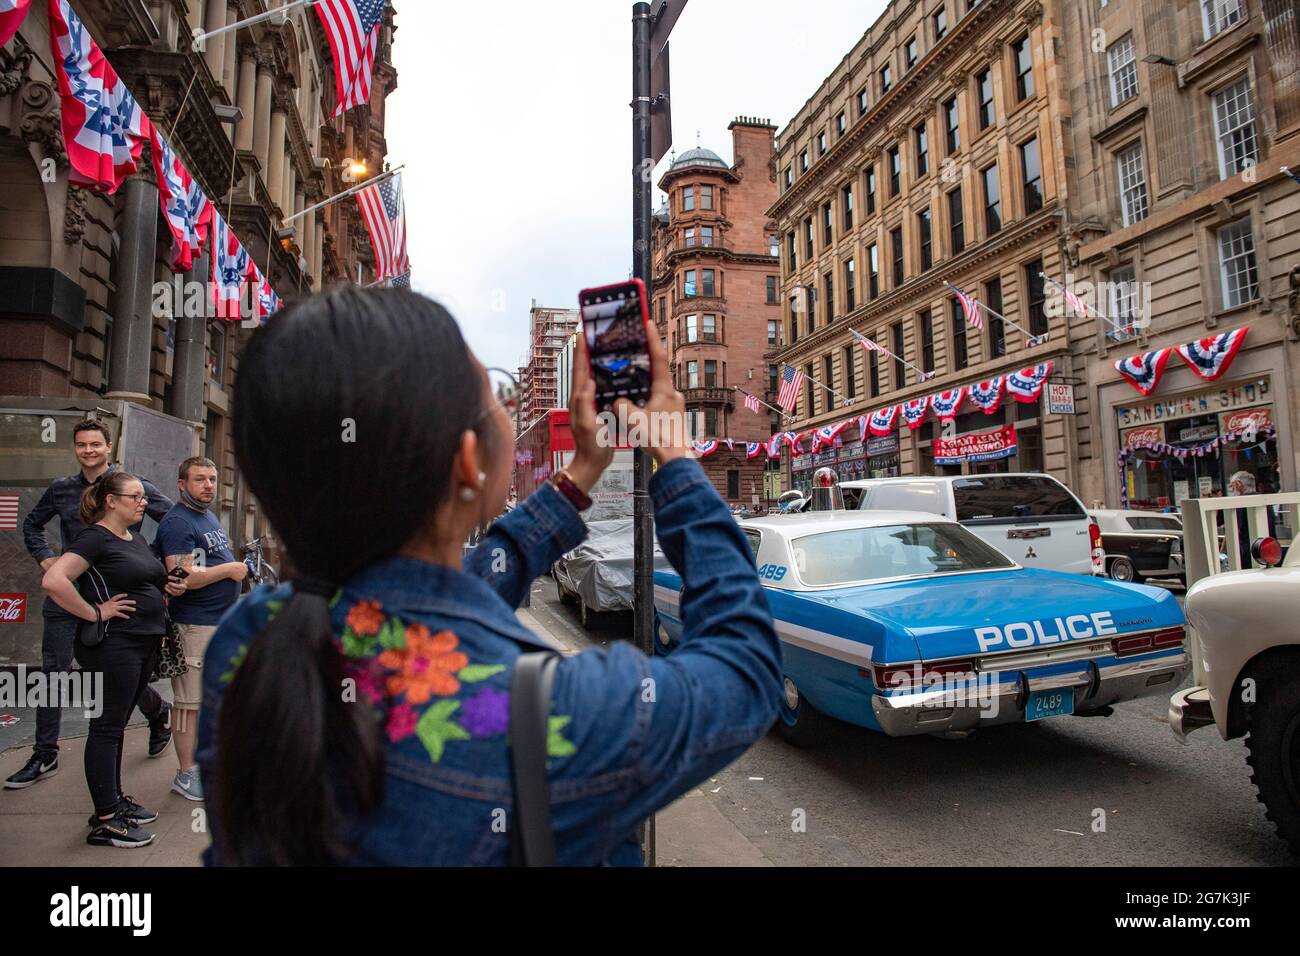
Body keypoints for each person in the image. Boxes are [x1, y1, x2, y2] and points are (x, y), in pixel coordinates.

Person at [195, 287, 782, 865]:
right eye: (494, 394)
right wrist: (676, 459)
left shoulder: (250, 638)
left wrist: (579, 472)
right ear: (469, 462)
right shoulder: (555, 713)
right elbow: (745, 665)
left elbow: (452, 598)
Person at [7, 421, 174, 791]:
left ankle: (156, 710)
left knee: (122, 673)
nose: (88, 451)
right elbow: (32, 525)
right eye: (81, 445)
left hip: (115, 593)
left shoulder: (132, 486)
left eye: (95, 444)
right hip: (70, 590)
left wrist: (156, 568)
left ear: (109, 446)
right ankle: (44, 751)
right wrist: (46, 559)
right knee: (53, 670)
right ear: (75, 449)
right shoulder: (62, 488)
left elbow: (173, 520)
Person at [41, 471, 188, 847]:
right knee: (106, 728)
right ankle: (106, 821)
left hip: (142, 642)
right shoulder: (94, 536)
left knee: (117, 726)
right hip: (114, 647)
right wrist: (94, 612)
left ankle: (114, 801)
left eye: (142, 497)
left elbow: (140, 579)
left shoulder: (133, 537)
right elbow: (54, 580)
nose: (143, 502)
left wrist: (166, 586)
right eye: (135, 497)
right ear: (111, 500)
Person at [153, 457, 247, 801]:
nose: (208, 485)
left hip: (217, 623)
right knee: (187, 705)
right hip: (193, 625)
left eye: (212, 478)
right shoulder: (177, 522)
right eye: (199, 480)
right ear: (182, 484)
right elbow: (182, 577)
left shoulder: (206, 515)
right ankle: (185, 773)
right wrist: (232, 570)